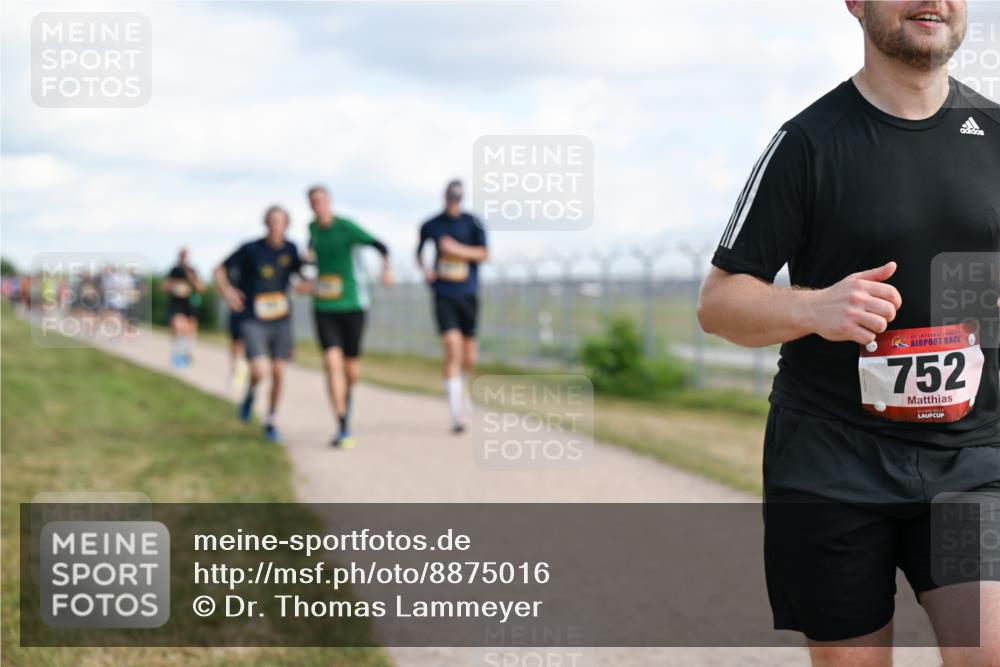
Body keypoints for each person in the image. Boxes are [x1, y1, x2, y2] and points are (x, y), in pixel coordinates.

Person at [698, 2, 999, 665]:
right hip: (833, 461)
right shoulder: (808, 142)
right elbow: (718, 302)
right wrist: (815, 309)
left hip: (971, 460)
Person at [304, 185, 393, 449]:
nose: (318, 206)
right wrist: (307, 275)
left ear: (329, 202)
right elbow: (310, 257)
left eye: (321, 201)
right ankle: (342, 423)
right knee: (332, 363)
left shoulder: (347, 228)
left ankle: (347, 396)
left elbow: (381, 245)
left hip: (353, 304)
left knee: (350, 370)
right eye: (313, 202)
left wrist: (386, 271)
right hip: (323, 307)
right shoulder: (312, 230)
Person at [214, 205, 307, 443]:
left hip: (281, 319)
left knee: (278, 371)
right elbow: (219, 269)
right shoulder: (250, 249)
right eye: (272, 221)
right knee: (260, 369)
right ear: (266, 224)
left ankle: (271, 420)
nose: (276, 226)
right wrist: (227, 292)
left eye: (281, 222)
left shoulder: (292, 249)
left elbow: (298, 278)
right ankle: (250, 394)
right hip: (252, 318)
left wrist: (309, 283)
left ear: (287, 225)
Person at [416, 179, 488, 434]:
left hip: (468, 294)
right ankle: (456, 413)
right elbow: (419, 251)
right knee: (452, 349)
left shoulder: (472, 223)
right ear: (444, 197)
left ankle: (461, 385)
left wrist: (457, 250)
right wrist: (425, 271)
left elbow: (484, 254)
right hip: (443, 294)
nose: (454, 201)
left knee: (469, 356)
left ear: (463, 198)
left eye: (458, 197)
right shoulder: (431, 225)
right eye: (450, 197)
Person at [164, 249, 204, 368]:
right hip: (177, 304)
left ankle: (187, 353)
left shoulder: (192, 270)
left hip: (190, 304)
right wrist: (173, 287)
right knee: (178, 327)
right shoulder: (174, 270)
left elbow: (201, 288)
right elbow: (165, 286)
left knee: (190, 331)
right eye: (182, 255)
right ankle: (177, 354)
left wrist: (192, 280)